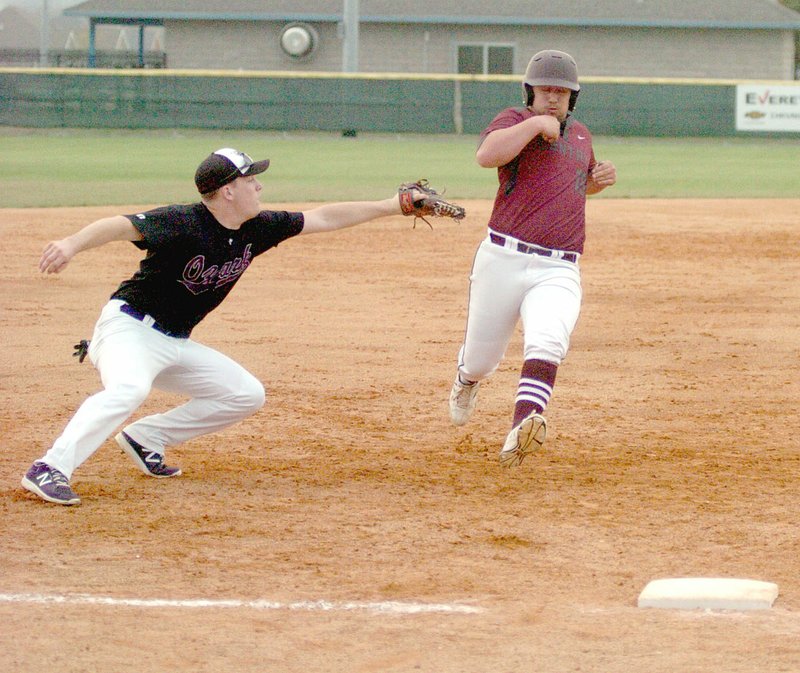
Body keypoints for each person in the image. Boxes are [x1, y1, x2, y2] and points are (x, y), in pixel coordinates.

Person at [22, 147, 425, 505]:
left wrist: (393, 205)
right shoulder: (182, 221)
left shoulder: (258, 227)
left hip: (174, 341)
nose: (260, 187)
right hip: (128, 329)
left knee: (245, 393)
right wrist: (71, 243)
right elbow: (119, 225)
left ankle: (148, 438)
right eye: (251, 180)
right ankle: (49, 467)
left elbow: (322, 217)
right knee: (129, 389)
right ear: (228, 190)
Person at [448, 50, 617, 468]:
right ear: (530, 93)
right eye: (545, 91)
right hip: (503, 257)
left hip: (560, 265)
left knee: (548, 339)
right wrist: (537, 124)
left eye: (561, 93)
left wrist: (597, 181)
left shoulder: (581, 136)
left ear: (573, 98)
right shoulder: (512, 120)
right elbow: (487, 156)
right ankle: (467, 379)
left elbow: (578, 186)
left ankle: (522, 428)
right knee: (481, 358)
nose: (553, 99)